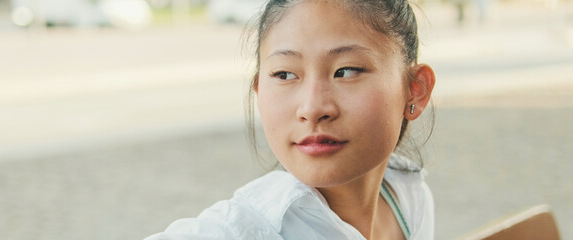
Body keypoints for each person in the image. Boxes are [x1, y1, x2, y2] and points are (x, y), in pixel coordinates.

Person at [146, 0, 436, 239]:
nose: (312, 108)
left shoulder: (409, 196)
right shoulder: (243, 230)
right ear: (259, 91)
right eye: (284, 75)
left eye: (346, 71)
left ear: (415, 91)